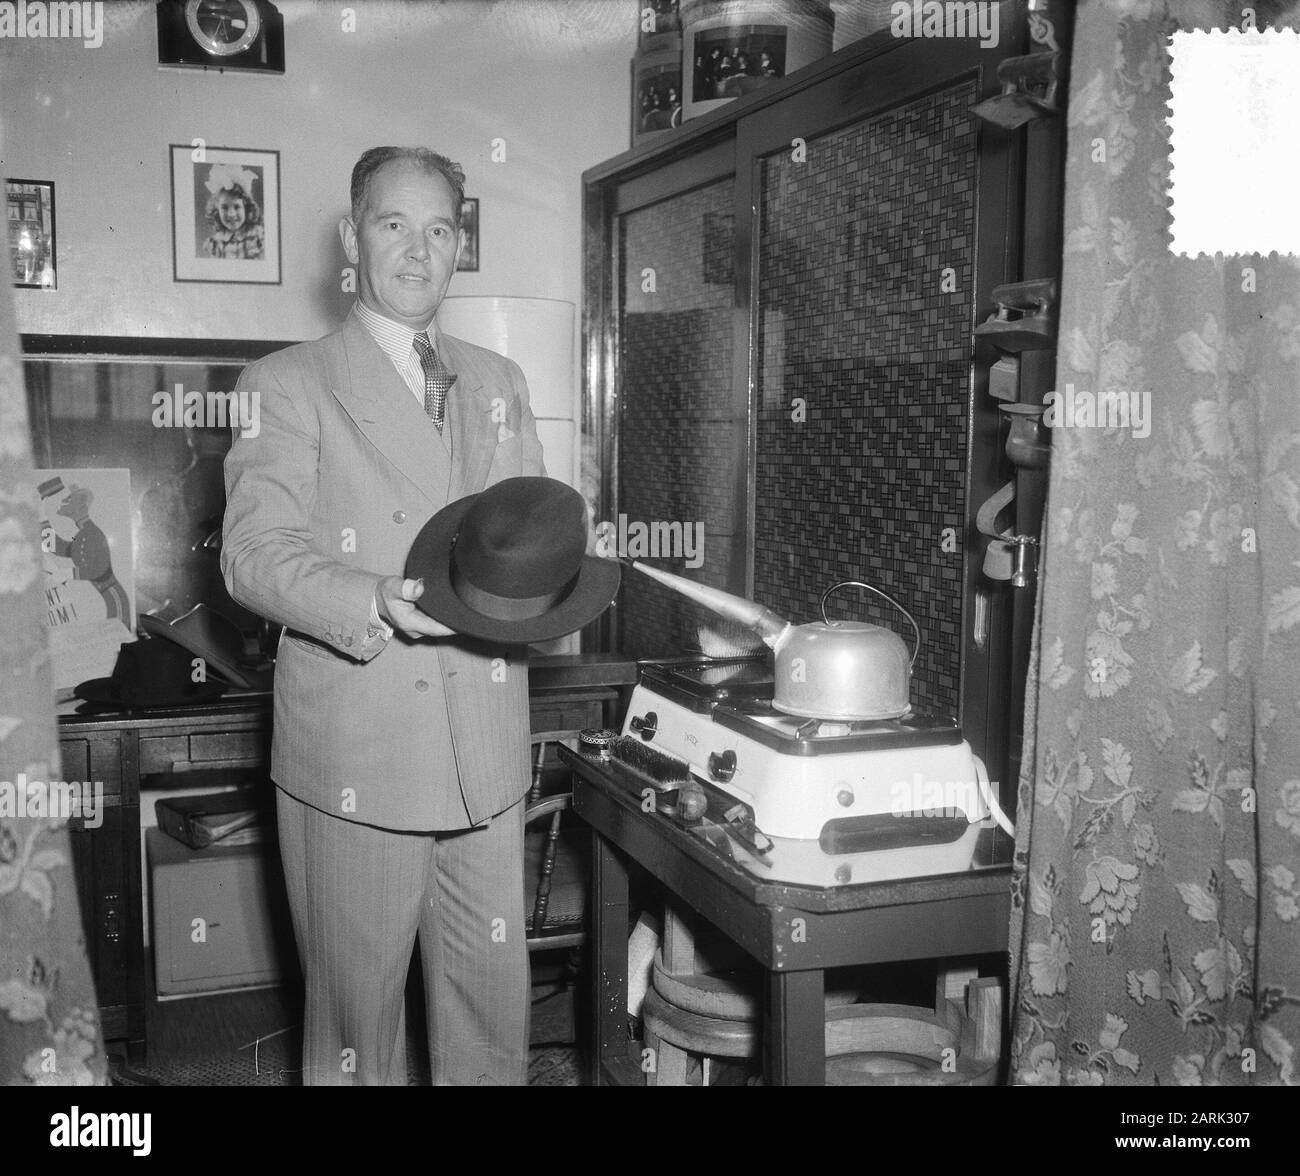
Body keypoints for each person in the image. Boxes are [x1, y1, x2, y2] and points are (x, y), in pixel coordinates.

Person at [221, 146, 545, 1085]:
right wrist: (371, 600)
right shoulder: (285, 383)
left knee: (491, 1014)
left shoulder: (499, 382)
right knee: (358, 1025)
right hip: (359, 747)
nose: (418, 249)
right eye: (393, 224)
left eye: (440, 228)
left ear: (459, 246)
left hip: (483, 749)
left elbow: (520, 534)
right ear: (349, 239)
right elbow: (253, 556)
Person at [201, 163, 265, 260]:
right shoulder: (216, 242)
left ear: (246, 208)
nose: (231, 214)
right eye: (225, 208)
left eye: (237, 207)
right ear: (216, 211)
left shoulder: (258, 235)